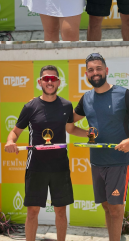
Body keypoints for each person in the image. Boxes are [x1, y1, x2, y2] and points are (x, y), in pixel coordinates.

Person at [4, 65, 89, 241]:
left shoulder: (66, 105)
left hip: (60, 167)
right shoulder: (30, 106)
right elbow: (15, 132)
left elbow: (71, 129)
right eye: (46, 79)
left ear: (58, 82)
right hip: (36, 167)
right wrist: (10, 141)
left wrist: (88, 133)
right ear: (40, 82)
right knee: (33, 211)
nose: (49, 82)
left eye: (53, 79)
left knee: (60, 211)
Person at [73, 53, 129, 241]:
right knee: (106, 206)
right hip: (96, 161)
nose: (95, 73)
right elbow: (69, 125)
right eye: (91, 70)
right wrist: (86, 133)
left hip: (118, 161)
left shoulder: (123, 93)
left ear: (106, 71)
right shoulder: (85, 98)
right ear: (86, 74)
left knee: (116, 209)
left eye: (99, 68)